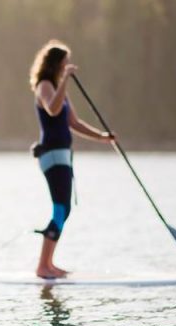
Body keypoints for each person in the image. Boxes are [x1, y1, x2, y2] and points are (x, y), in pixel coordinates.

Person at [29, 40, 114, 279]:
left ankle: (48, 263)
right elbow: (53, 110)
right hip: (52, 154)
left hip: (62, 154)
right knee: (60, 209)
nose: (67, 66)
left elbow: (73, 123)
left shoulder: (58, 88)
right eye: (64, 64)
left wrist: (102, 137)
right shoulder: (45, 86)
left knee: (63, 210)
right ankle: (43, 267)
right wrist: (65, 80)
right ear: (56, 64)